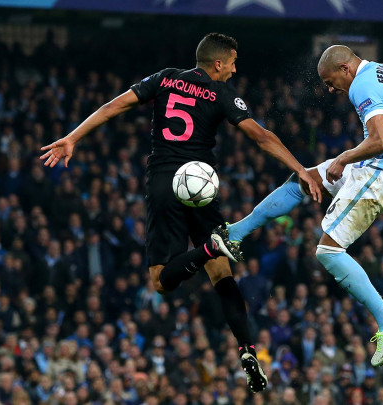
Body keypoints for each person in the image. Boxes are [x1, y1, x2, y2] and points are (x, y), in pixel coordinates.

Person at [40, 32, 321, 393]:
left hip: (164, 183)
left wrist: (73, 137)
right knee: (221, 274)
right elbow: (262, 137)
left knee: (161, 281)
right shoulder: (221, 94)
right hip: (201, 185)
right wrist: (300, 169)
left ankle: (211, 249)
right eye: (232, 63)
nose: (235, 70)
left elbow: (114, 106)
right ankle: (247, 347)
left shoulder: (165, 78)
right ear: (218, 63)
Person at [226, 33, 383, 366]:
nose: (331, 89)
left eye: (331, 82)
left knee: (327, 251)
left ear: (345, 68)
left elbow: (382, 140)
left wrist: (343, 158)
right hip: (378, 168)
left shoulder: (361, 86)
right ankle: (236, 233)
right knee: (304, 179)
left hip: (382, 174)